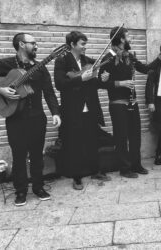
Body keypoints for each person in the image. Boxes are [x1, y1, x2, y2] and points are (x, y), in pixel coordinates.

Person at [0, 33, 61, 206]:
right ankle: (21, 191)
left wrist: (55, 112)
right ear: (22, 44)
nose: (36, 46)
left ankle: (38, 187)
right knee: (19, 155)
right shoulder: (5, 64)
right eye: (33, 43)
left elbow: (49, 92)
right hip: (15, 118)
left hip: (38, 117)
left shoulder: (41, 68)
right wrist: (1, 91)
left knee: (37, 155)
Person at [99, 26, 161, 178]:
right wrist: (121, 83)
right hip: (118, 103)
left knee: (135, 136)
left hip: (132, 103)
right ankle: (125, 169)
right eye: (128, 36)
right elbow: (101, 83)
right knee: (121, 137)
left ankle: (136, 165)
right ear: (121, 39)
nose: (131, 38)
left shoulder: (129, 56)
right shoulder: (108, 58)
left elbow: (146, 69)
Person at [54, 31, 111, 190]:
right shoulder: (62, 61)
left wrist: (103, 80)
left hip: (90, 108)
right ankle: (77, 176)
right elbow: (59, 84)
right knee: (75, 144)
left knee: (93, 140)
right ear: (72, 45)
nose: (85, 47)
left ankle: (95, 170)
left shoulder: (89, 61)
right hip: (72, 110)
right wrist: (80, 78)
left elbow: (96, 83)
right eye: (82, 44)